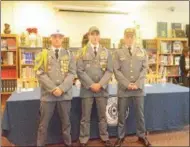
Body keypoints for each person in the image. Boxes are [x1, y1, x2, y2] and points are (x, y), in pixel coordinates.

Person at [34, 30, 76, 147]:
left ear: (63, 39)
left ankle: (68, 144)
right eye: (55, 37)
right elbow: (40, 73)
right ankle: (40, 144)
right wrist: (53, 89)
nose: (57, 39)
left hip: (64, 94)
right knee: (43, 124)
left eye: (60, 37)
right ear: (50, 38)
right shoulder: (42, 54)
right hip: (48, 95)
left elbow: (72, 73)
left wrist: (61, 89)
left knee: (66, 123)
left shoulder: (69, 54)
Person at [113, 28, 151, 147]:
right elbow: (116, 70)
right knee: (121, 114)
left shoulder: (142, 51)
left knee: (140, 114)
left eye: (131, 36)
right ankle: (120, 137)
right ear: (124, 37)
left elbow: (145, 69)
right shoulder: (118, 52)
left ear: (135, 38)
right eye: (127, 36)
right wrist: (127, 84)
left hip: (138, 89)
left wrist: (137, 83)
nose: (129, 39)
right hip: (124, 89)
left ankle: (141, 136)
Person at [77, 26, 113, 147]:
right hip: (87, 90)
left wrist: (100, 84)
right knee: (85, 117)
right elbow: (80, 71)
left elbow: (109, 71)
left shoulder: (106, 52)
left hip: (102, 90)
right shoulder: (81, 51)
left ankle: (104, 136)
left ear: (99, 36)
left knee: (103, 116)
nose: (95, 37)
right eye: (92, 34)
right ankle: (83, 139)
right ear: (89, 36)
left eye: (97, 34)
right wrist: (91, 84)